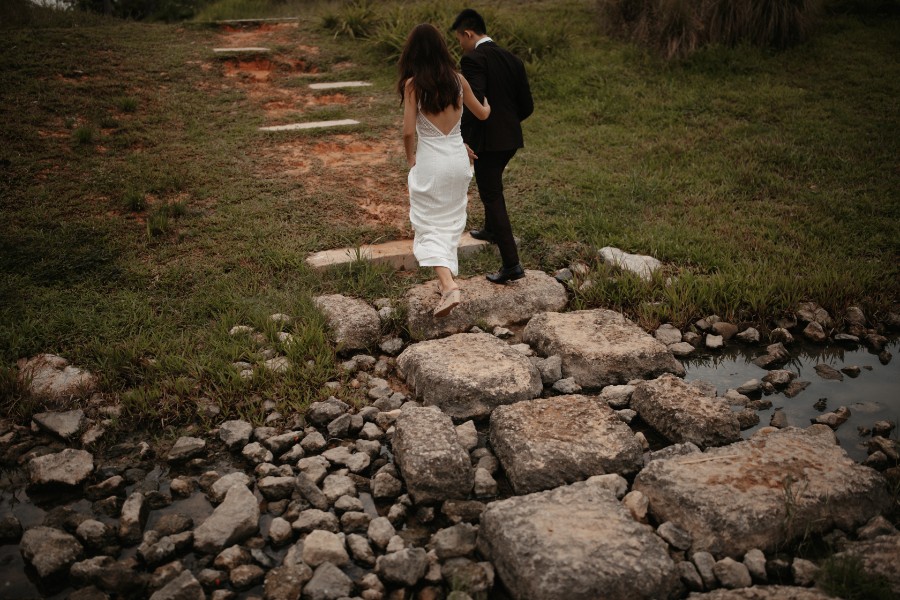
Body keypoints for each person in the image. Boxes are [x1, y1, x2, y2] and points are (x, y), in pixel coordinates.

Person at [399, 23, 491, 317]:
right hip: (458, 160)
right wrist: (488, 100)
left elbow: (408, 132)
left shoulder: (413, 85)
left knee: (427, 224)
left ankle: (449, 285)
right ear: (441, 49)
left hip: (432, 162)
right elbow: (482, 113)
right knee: (450, 221)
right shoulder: (459, 80)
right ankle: (447, 282)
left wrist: (410, 158)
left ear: (413, 53)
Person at [451, 8, 534, 284]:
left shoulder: (473, 59)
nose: (460, 45)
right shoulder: (513, 59)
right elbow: (527, 106)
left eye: (460, 39)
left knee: (491, 193)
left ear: (468, 33)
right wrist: (507, 126)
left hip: (489, 141)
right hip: (510, 138)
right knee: (492, 184)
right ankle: (490, 230)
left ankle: (512, 264)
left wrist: (465, 139)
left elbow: (474, 102)